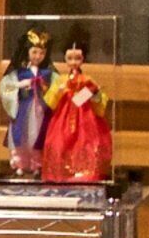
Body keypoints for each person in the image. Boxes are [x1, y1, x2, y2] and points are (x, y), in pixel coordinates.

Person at [35, 42, 113, 183]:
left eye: (77, 58)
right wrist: (60, 90)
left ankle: (86, 172)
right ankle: (60, 173)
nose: (74, 62)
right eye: (70, 58)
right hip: (62, 119)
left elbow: (100, 103)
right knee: (59, 142)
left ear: (83, 60)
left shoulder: (87, 80)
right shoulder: (60, 80)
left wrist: (92, 93)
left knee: (87, 142)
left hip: (86, 119)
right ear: (65, 60)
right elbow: (50, 103)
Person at [0, 28, 52, 162]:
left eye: (42, 53)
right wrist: (20, 84)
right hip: (23, 106)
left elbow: (55, 89)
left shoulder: (47, 72)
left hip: (39, 108)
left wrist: (45, 88)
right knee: (21, 135)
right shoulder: (19, 72)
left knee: (37, 134)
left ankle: (36, 162)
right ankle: (19, 162)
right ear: (27, 52)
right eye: (34, 52)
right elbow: (6, 86)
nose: (38, 56)